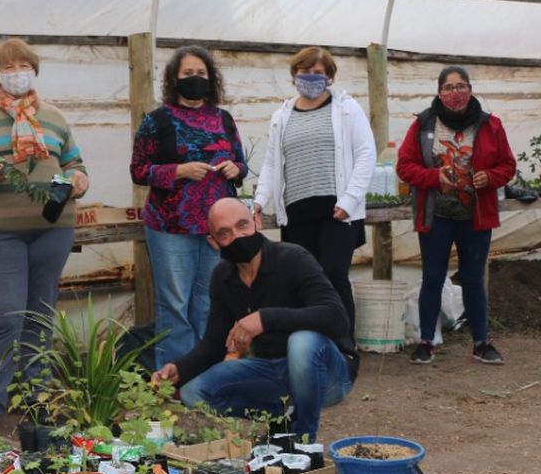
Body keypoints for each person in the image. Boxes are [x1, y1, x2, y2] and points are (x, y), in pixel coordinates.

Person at [0, 37, 89, 418]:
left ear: (34, 70)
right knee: (7, 315)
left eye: (22, 66)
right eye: (7, 67)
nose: (16, 73)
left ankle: (36, 397)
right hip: (2, 231)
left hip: (53, 227)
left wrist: (78, 180)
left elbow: (76, 164)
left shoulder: (55, 117)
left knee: (40, 315)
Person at [152, 197, 357, 441]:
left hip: (328, 372)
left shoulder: (292, 258)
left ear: (256, 222)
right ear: (214, 242)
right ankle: (282, 418)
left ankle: (303, 442)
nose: (238, 237)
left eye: (242, 226)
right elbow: (214, 343)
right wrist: (179, 368)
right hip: (272, 369)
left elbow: (337, 317)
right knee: (192, 392)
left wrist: (265, 319)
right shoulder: (223, 276)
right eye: (225, 233)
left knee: (302, 342)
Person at [130, 46, 247, 368]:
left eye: (200, 74)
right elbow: (138, 170)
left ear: (210, 79)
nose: (195, 80)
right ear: (174, 79)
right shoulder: (157, 121)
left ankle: (205, 369)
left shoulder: (223, 118)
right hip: (171, 228)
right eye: (187, 75)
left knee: (208, 302)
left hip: (217, 228)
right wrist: (177, 171)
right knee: (175, 304)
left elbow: (241, 161)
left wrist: (236, 169)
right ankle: (175, 375)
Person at [396, 66, 517, 365]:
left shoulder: (491, 125)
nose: (455, 92)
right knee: (433, 278)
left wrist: (489, 177)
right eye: (449, 87)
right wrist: (434, 177)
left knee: (474, 279)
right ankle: (426, 342)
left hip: (474, 217)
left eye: (461, 86)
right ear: (439, 92)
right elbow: (404, 166)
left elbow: (508, 165)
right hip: (435, 216)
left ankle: (481, 343)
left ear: (471, 89)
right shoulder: (423, 124)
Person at [252, 46, 375, 334]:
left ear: (330, 77)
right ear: (294, 75)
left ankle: (344, 344)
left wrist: (350, 199)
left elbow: (366, 154)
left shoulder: (346, 108)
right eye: (304, 71)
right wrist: (259, 200)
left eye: (318, 73)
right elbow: (271, 163)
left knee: (333, 274)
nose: (310, 77)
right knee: (303, 279)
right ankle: (312, 345)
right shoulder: (281, 116)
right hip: (298, 211)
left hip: (337, 210)